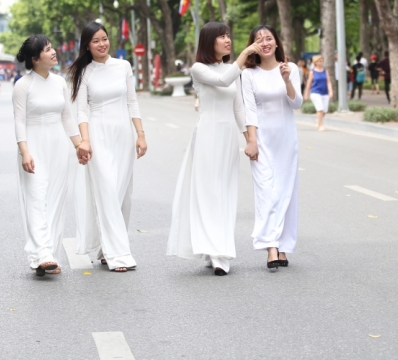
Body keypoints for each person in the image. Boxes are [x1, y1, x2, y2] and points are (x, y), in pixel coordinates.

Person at [167, 22, 262, 276]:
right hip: (207, 134)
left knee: (225, 192)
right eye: (221, 36)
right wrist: (243, 57)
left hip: (228, 136)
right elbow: (222, 80)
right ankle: (218, 253)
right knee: (209, 193)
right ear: (210, 42)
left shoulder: (233, 70)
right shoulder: (199, 69)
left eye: (228, 35)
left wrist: (249, 140)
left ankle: (217, 247)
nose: (227, 40)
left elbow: (239, 108)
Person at [69, 22, 147, 273]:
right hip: (98, 134)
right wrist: (85, 140)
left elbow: (132, 101)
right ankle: (118, 255)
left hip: (123, 134)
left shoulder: (123, 66)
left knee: (122, 194)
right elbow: (81, 110)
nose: (102, 44)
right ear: (87, 46)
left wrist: (140, 135)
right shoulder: (85, 72)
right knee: (107, 191)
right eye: (96, 41)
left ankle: (106, 248)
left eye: (104, 38)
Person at [12, 35, 84, 277]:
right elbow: (19, 121)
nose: (53, 52)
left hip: (58, 146)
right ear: (35, 59)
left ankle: (48, 254)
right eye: (47, 49)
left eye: (52, 48)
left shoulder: (59, 82)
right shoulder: (23, 85)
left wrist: (79, 145)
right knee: (36, 197)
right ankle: (41, 253)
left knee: (55, 199)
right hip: (33, 146)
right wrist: (24, 152)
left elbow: (67, 116)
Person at [241, 25, 303, 271]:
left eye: (269, 38)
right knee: (267, 192)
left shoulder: (291, 69)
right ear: (253, 45)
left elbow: (296, 103)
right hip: (262, 140)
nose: (264, 42)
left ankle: (283, 245)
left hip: (286, 140)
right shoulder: (249, 74)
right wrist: (251, 140)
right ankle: (271, 247)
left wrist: (287, 80)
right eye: (259, 40)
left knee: (286, 193)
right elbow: (250, 109)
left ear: (277, 42)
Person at [304, 55, 333, 131]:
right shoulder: (312, 72)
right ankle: (321, 125)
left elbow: (328, 82)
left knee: (324, 111)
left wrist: (330, 91)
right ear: (315, 62)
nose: (321, 62)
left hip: (325, 92)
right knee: (320, 109)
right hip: (315, 92)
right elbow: (309, 84)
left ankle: (318, 120)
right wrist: (306, 94)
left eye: (322, 61)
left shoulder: (325, 71)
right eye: (319, 61)